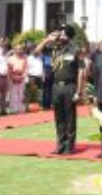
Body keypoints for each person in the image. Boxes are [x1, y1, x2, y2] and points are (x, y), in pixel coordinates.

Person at [35, 25, 85, 155]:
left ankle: (70, 146)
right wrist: (47, 39)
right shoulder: (55, 48)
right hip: (56, 86)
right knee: (59, 117)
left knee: (70, 118)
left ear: (68, 36)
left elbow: (81, 71)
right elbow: (36, 51)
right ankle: (60, 145)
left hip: (70, 86)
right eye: (59, 34)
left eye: (62, 34)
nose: (59, 36)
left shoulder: (75, 50)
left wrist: (78, 91)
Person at [7, 44, 29, 114]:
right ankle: (13, 110)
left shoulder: (24, 58)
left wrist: (22, 77)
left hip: (21, 78)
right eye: (18, 49)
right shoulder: (10, 59)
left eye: (20, 49)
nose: (19, 50)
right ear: (14, 50)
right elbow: (8, 70)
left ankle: (21, 109)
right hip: (12, 78)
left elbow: (26, 69)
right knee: (13, 94)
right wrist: (14, 77)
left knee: (21, 94)